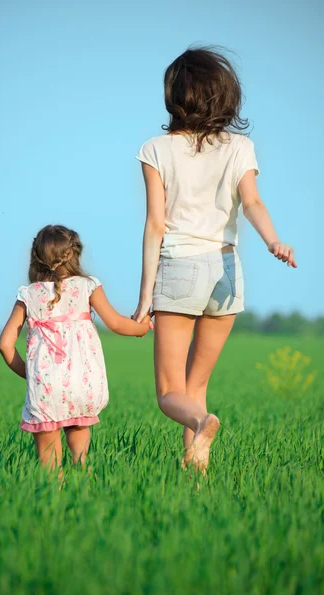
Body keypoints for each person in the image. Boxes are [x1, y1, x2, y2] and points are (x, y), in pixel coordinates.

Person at [132, 47, 296, 472]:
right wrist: (273, 240)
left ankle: (203, 424)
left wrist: (144, 296)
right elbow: (252, 202)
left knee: (171, 393)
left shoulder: (156, 149)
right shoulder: (240, 147)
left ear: (175, 95)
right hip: (226, 271)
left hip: (180, 270)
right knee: (196, 385)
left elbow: (155, 225)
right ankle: (196, 472)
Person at [0, 224, 150, 472]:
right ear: (74, 254)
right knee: (80, 447)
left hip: (45, 387)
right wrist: (142, 328)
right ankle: (82, 480)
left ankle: (55, 495)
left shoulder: (28, 295)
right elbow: (115, 323)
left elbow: (5, 345)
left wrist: (31, 375)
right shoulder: (87, 286)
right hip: (83, 382)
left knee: (50, 467)